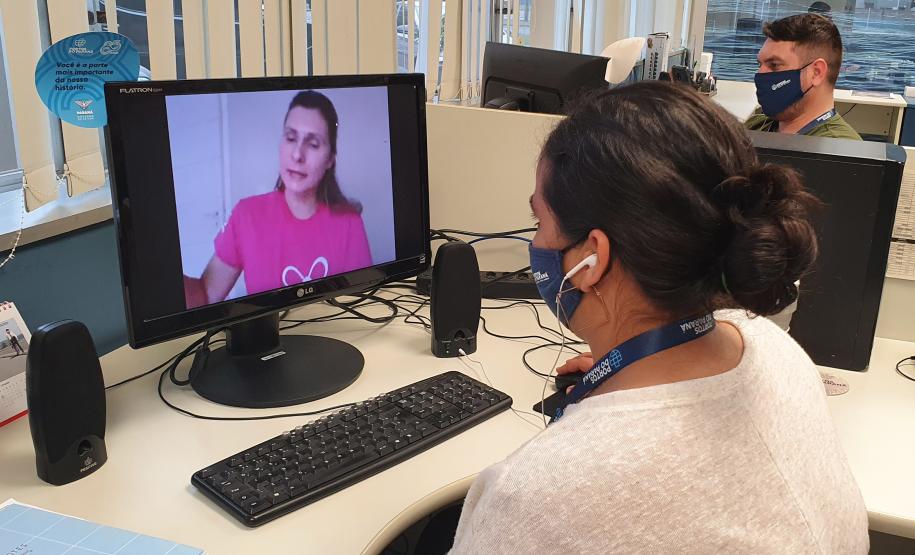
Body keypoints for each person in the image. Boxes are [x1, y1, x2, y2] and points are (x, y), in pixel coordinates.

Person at [446, 82, 868, 553]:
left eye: (541, 224)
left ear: (592, 258)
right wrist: (623, 368)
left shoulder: (537, 498)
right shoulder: (777, 350)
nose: (539, 244)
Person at [184, 91, 372, 308]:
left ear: (330, 159)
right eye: (291, 138)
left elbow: (364, 301)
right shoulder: (247, 215)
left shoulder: (348, 222)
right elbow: (207, 294)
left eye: (313, 144)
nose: (297, 155)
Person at [746, 13, 861, 140]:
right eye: (759, 64)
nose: (760, 74)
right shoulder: (756, 124)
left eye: (774, 65)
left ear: (816, 72)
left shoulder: (842, 150)